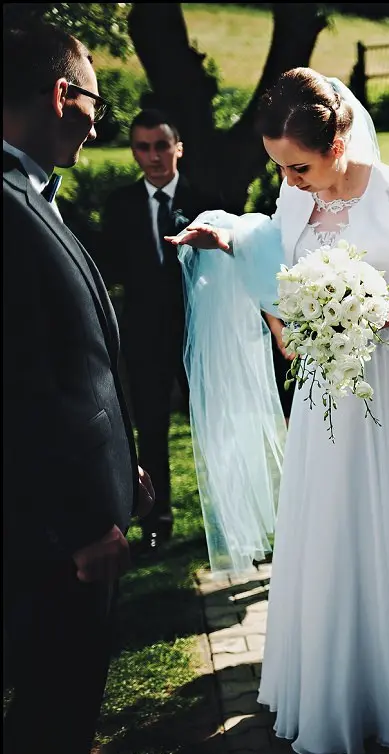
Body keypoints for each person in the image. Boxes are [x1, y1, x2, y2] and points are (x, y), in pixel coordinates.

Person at [167, 67, 389, 754]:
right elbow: (274, 260)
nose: (289, 180)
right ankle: (342, 686)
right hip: (328, 389)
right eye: (280, 168)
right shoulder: (294, 200)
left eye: (299, 166)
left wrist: (377, 312)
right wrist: (225, 242)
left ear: (339, 143)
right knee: (334, 519)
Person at [3, 23, 154, 754]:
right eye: (95, 105)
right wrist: (77, 525)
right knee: (52, 710)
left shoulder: (32, 192)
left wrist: (122, 467)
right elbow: (22, 387)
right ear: (63, 95)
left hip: (81, 511)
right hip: (56, 538)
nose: (98, 126)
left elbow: (76, 359)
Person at [99, 108, 224, 552]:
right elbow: (109, 267)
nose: (153, 156)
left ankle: (224, 518)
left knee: (213, 426)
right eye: (143, 147)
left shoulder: (205, 200)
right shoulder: (120, 205)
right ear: (134, 151)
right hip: (144, 337)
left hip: (200, 332)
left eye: (161, 146)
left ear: (178, 148)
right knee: (150, 431)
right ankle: (157, 522)